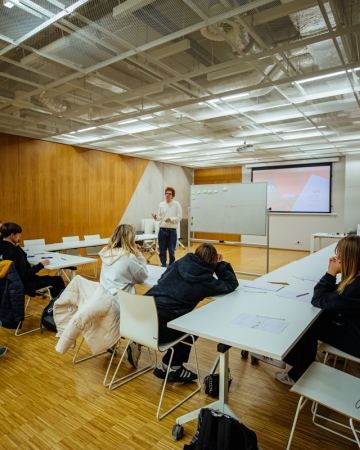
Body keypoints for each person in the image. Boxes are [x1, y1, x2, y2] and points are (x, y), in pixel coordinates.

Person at [274, 234, 360, 386]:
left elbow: (319, 300)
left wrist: (330, 273)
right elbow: (335, 295)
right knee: (321, 316)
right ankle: (295, 359)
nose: (336, 257)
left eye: (340, 254)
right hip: (353, 327)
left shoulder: (355, 289)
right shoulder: (355, 280)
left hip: (357, 341)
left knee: (309, 326)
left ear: (350, 258)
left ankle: (298, 373)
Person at [145, 243, 238, 382]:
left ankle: (166, 366)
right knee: (196, 324)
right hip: (159, 330)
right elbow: (231, 284)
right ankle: (174, 367)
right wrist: (220, 265)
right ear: (212, 262)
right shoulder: (205, 281)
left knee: (182, 320)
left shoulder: (178, 264)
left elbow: (162, 278)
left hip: (140, 321)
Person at [99, 224, 149, 367]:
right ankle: (135, 344)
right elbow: (143, 276)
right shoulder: (128, 258)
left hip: (104, 302)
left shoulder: (107, 253)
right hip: (122, 307)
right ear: (130, 239)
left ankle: (112, 339)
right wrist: (138, 255)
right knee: (148, 314)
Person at [0, 222, 65, 298]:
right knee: (58, 280)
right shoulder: (14, 251)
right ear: (12, 235)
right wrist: (41, 265)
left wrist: (16, 246)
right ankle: (60, 305)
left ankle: (54, 303)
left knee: (51, 280)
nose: (20, 237)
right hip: (25, 284)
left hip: (7, 284)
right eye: (18, 235)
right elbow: (25, 275)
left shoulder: (4, 247)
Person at [152, 186, 182, 268]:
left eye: (170, 194)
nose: (167, 195)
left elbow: (179, 217)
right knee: (162, 250)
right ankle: (163, 265)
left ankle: (172, 266)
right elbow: (159, 218)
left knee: (171, 250)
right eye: (166, 193)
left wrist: (171, 219)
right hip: (162, 230)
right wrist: (155, 217)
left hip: (172, 231)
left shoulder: (176, 204)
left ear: (172, 196)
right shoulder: (161, 204)